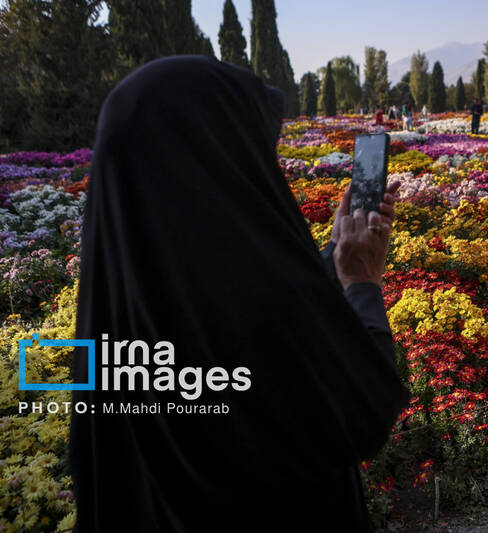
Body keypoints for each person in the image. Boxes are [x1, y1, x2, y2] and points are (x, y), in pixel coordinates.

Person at [69, 56, 409, 532]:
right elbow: (361, 415)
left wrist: (334, 255)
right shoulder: (253, 305)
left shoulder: (117, 308)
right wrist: (362, 284)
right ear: (215, 155)